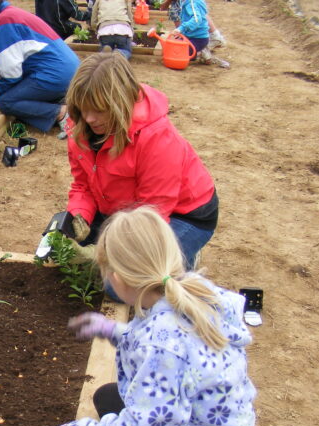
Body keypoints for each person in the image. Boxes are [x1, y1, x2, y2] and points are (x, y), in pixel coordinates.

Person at [33, 206, 256, 426]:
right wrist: (114, 331)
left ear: (117, 277)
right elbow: (162, 348)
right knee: (109, 395)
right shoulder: (187, 292)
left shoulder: (166, 344)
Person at [61, 52, 219, 274]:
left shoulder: (156, 137)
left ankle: (185, 257)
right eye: (83, 107)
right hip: (121, 209)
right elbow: (83, 185)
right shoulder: (79, 127)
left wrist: (107, 252)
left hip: (181, 214)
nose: (88, 118)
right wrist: (78, 217)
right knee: (67, 260)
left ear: (120, 103)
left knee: (129, 282)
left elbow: (153, 213)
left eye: (98, 109)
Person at [0, 0, 80, 138]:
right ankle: (59, 101)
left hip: (55, 74)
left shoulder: (4, 21)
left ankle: (60, 112)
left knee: (7, 102)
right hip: (67, 70)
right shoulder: (12, 13)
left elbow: (10, 71)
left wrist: (2, 91)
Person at [175, 0, 229, 67]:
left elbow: (196, 19)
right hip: (193, 36)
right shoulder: (192, 2)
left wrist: (181, 28)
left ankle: (200, 53)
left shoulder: (192, 4)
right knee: (176, 46)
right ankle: (201, 52)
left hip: (198, 38)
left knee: (180, 54)